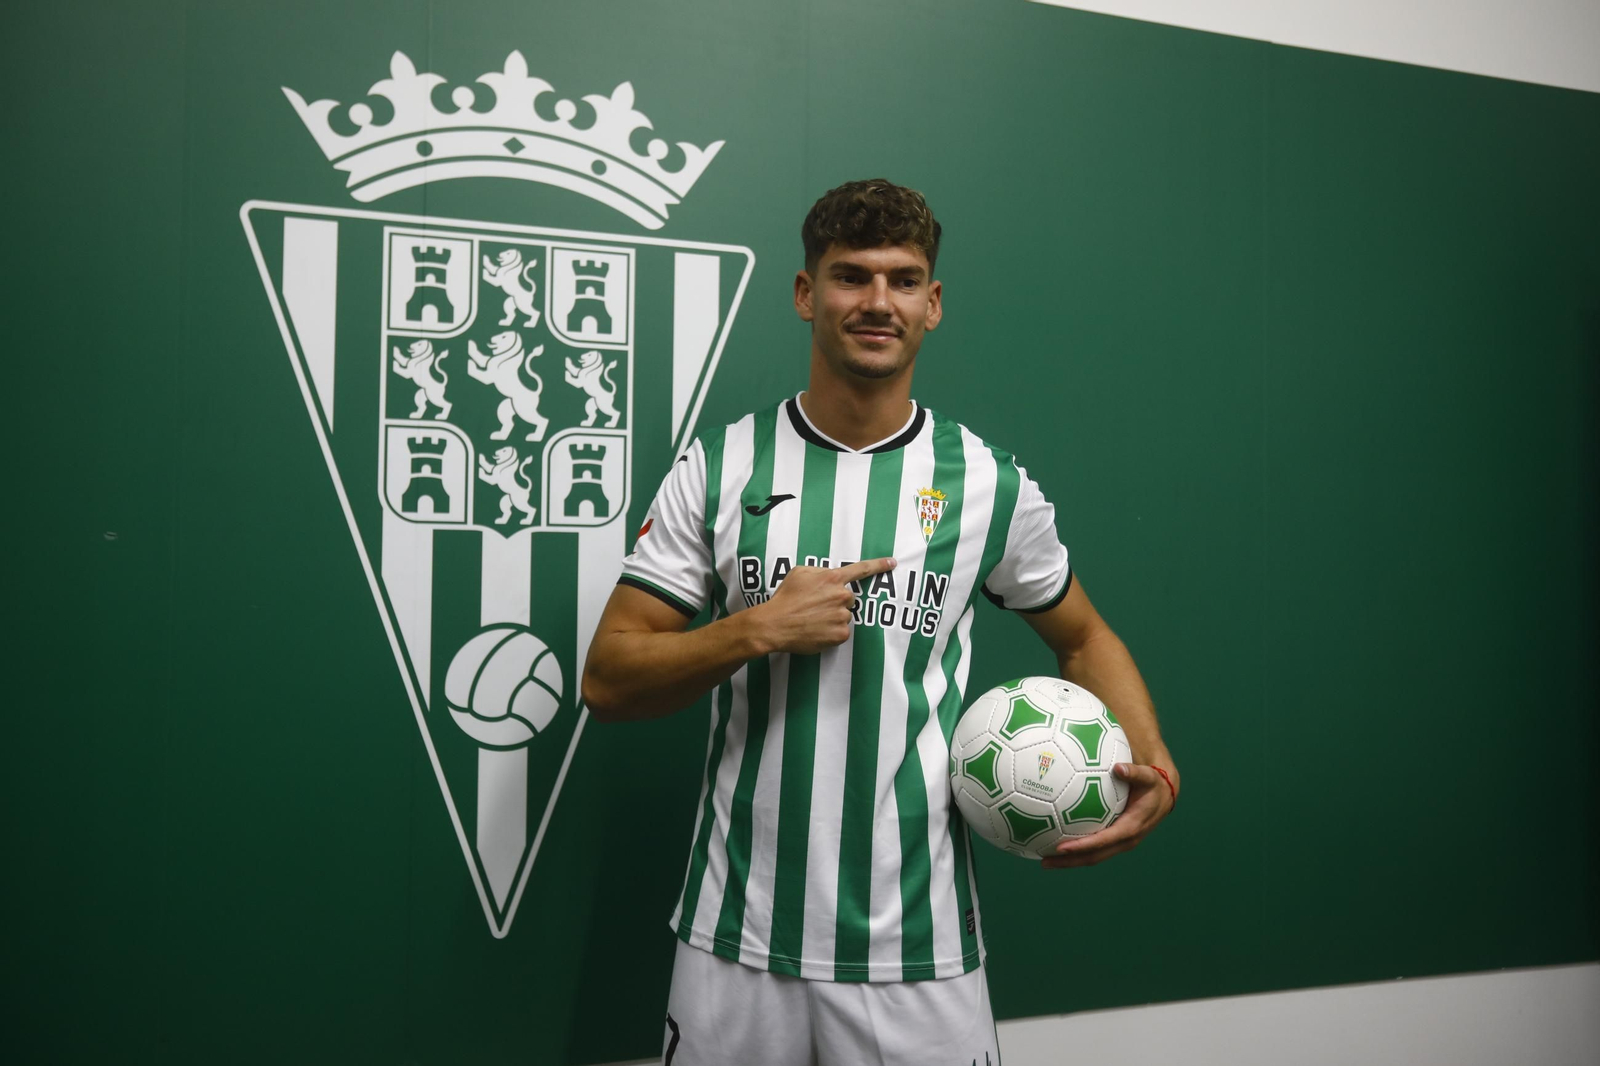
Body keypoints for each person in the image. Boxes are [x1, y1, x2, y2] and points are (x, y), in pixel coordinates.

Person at [582, 178, 1179, 1066]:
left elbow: (1083, 636)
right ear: (804, 293)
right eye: (850, 275)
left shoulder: (988, 484)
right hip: (736, 934)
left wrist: (1154, 762)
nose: (876, 301)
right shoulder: (719, 466)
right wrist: (755, 629)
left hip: (919, 942)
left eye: (903, 280)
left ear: (932, 305)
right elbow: (607, 679)